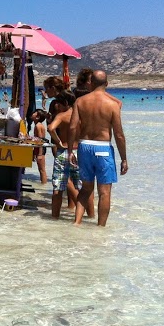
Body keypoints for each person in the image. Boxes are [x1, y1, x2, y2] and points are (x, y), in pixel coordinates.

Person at [68, 70, 128, 227]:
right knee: (104, 192)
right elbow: (119, 135)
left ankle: (76, 223)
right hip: (102, 148)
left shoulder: (80, 101)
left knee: (86, 189)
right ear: (107, 84)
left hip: (84, 146)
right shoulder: (113, 105)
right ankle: (100, 228)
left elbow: (73, 127)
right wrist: (124, 159)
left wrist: (69, 151)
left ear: (90, 83)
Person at [47, 92, 91, 218]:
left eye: (59, 105)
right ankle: (89, 217)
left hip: (64, 151)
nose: (57, 108)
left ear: (65, 103)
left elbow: (50, 128)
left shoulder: (62, 116)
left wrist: (59, 142)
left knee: (58, 188)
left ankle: (55, 218)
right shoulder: (83, 116)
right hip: (79, 152)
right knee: (84, 188)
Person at [30, 108, 48, 184]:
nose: (32, 113)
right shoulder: (37, 125)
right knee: (40, 168)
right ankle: (42, 183)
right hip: (38, 148)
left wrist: (40, 154)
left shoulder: (38, 126)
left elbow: (40, 140)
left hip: (40, 148)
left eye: (34, 113)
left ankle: (44, 185)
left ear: (38, 117)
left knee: (42, 169)